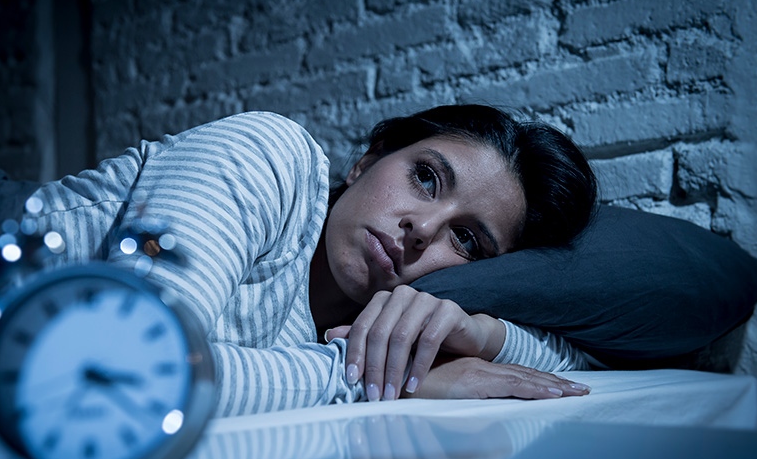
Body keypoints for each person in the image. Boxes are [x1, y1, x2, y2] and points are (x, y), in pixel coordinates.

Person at [29, 104, 597, 417]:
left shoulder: (386, 318)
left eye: (468, 240)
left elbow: (576, 366)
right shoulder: (270, 156)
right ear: (367, 161)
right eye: (425, 178)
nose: (422, 230)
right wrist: (380, 380)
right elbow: (122, 370)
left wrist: (481, 334)